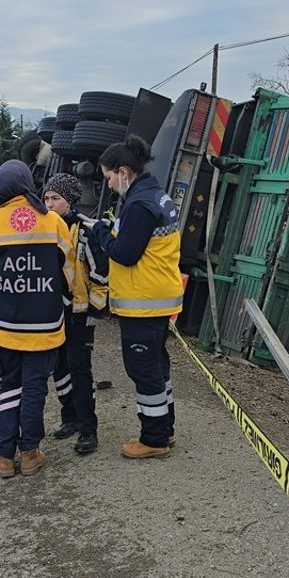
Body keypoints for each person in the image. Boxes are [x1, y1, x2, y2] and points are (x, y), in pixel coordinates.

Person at [0, 160, 73, 478]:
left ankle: (3, 456)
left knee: (9, 385)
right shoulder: (53, 222)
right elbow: (68, 272)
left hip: (2, 325)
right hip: (44, 324)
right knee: (35, 388)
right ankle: (29, 453)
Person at [87, 135, 184, 459]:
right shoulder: (154, 196)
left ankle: (153, 439)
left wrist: (100, 233)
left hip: (144, 302)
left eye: (110, 177)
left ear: (124, 171)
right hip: (159, 297)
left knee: (143, 370)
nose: (110, 185)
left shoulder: (140, 205)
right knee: (157, 367)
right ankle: (165, 429)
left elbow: (125, 253)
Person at [42, 173, 108, 455]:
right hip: (53, 312)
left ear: (69, 200)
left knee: (80, 370)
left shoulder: (84, 230)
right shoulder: (44, 228)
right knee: (58, 368)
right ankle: (68, 417)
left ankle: (87, 430)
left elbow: (100, 273)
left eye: (55, 198)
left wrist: (94, 311)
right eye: (46, 198)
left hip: (80, 313)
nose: (49, 203)